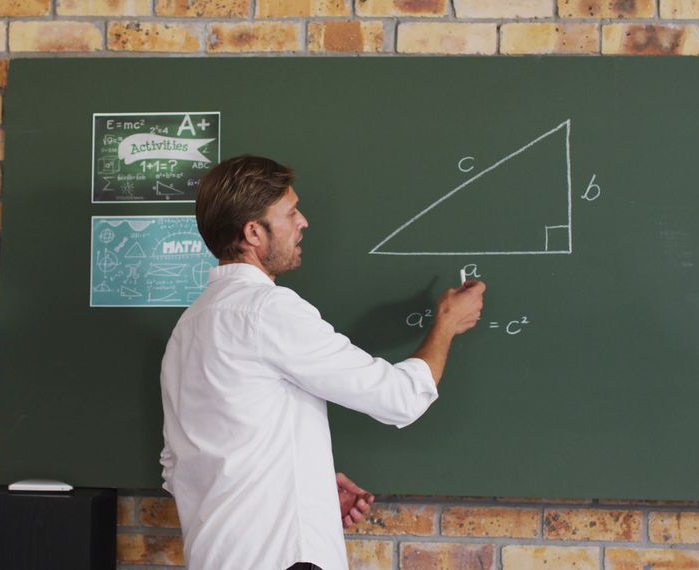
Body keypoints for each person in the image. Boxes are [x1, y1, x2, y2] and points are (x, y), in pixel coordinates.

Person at [159, 155, 486, 570]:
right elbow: (400, 398)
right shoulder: (268, 311)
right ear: (254, 232)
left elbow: (179, 466)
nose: (304, 222)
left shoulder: (188, 328)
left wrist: (305, 485)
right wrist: (446, 324)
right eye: (290, 212)